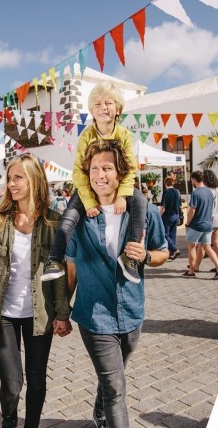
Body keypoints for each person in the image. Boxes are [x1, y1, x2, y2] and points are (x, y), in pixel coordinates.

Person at [65, 139, 168, 428]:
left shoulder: (144, 211)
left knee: (113, 378)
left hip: (133, 312)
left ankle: (98, 413)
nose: (100, 174)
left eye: (107, 167)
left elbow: (163, 252)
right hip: (93, 316)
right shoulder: (80, 215)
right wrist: (60, 310)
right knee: (116, 388)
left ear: (120, 172)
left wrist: (148, 257)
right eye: (94, 169)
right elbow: (72, 267)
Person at [0, 154, 71, 428]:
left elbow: (58, 272)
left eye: (18, 178)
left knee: (38, 379)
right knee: (12, 382)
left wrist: (62, 313)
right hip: (3, 314)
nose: (12, 184)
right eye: (9, 178)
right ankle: (7, 426)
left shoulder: (53, 222)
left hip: (40, 315)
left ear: (34, 181)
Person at [42, 82, 147, 284]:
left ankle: (131, 258)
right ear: (91, 110)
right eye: (97, 104)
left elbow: (130, 168)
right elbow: (79, 171)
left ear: (118, 109)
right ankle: (54, 259)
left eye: (108, 103)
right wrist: (89, 201)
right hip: (87, 188)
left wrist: (123, 195)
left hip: (119, 186)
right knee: (69, 215)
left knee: (140, 200)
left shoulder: (124, 135)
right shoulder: (86, 135)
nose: (103, 107)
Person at [182, 171, 218, 279]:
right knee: (208, 247)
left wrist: (187, 223)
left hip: (197, 224)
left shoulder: (196, 193)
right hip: (208, 224)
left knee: (191, 246)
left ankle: (191, 271)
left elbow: (192, 210)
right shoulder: (209, 192)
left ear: (194, 179)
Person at [193, 170, 218, 273]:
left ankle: (198, 266)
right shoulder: (217, 188)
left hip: (210, 219)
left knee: (204, 244)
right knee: (216, 244)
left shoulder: (208, 191)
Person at [159, 176, 181, 261]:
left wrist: (159, 216)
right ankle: (172, 253)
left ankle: (174, 250)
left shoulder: (166, 192)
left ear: (165, 183)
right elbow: (179, 206)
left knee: (164, 234)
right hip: (176, 215)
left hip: (168, 216)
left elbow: (163, 207)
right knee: (172, 234)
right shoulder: (177, 192)